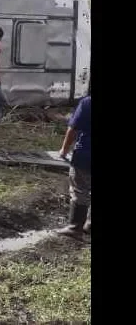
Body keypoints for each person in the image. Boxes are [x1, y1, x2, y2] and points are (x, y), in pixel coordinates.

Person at [56, 95, 91, 238]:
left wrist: (64, 150)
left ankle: (75, 227)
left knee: (80, 190)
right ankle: (89, 224)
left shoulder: (87, 102)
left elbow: (73, 129)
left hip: (85, 155)